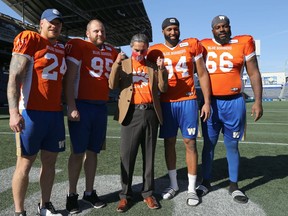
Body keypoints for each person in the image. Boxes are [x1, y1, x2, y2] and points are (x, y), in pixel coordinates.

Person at [197, 15, 263, 204]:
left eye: (225, 26)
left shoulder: (243, 43)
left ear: (230, 27)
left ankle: (234, 185)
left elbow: (253, 72)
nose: (222, 29)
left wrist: (258, 101)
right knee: (208, 145)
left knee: (232, 145)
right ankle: (206, 181)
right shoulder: (203, 45)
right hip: (210, 102)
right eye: (218, 27)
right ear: (213, 30)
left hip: (234, 102)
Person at [7, 9, 66, 216]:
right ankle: (19, 211)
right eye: (51, 22)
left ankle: (45, 205)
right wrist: (14, 112)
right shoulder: (30, 38)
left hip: (55, 114)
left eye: (58, 23)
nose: (55, 26)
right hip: (32, 113)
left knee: (50, 162)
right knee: (24, 163)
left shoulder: (60, 48)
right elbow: (14, 77)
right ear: (41, 23)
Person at [147, 18, 211, 206]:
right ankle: (174, 184)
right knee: (169, 143)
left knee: (190, 142)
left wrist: (206, 101)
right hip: (166, 103)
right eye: (169, 29)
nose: (173, 32)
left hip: (188, 101)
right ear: (163, 31)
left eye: (176, 28)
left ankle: (191, 189)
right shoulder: (155, 51)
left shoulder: (191, 45)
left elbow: (203, 73)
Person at [109, 33, 168, 212]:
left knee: (149, 157)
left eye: (143, 50)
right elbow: (112, 85)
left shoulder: (152, 66)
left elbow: (163, 89)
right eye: (136, 50)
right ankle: (125, 195)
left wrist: (162, 70)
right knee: (127, 156)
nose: (139, 54)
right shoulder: (124, 63)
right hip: (131, 114)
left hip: (151, 113)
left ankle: (148, 193)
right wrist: (117, 63)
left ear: (147, 49)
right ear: (130, 47)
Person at [64, 19, 118, 214]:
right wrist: (71, 105)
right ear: (87, 33)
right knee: (78, 152)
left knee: (93, 152)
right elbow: (69, 78)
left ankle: (89, 191)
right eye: (96, 31)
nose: (100, 34)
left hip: (100, 107)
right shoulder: (79, 45)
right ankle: (71, 195)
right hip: (82, 105)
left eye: (102, 31)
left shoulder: (112, 51)